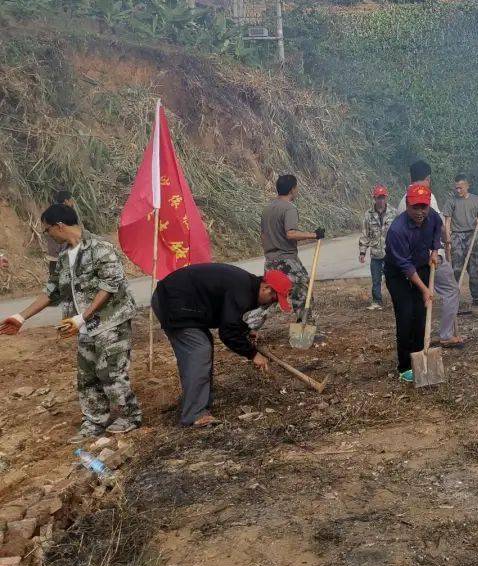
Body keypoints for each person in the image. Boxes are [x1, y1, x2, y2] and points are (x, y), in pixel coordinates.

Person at [2, 204, 142, 443]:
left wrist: (83, 316)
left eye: (47, 230)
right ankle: (95, 420)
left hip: (110, 322)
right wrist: (21, 316)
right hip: (83, 326)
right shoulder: (64, 256)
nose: (48, 235)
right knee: (87, 375)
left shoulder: (101, 248)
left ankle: (129, 416)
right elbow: (53, 290)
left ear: (59, 225)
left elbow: (109, 286)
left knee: (110, 371)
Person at [152, 264, 292, 427]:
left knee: (202, 346)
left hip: (185, 303)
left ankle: (198, 402)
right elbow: (227, 333)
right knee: (199, 350)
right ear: (267, 288)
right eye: (274, 299)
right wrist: (253, 354)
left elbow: (229, 318)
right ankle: (194, 414)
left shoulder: (246, 286)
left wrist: (245, 331)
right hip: (173, 301)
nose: (270, 304)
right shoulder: (243, 290)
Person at [397, 161, 463, 347]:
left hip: (409, 260)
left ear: (410, 177)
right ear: (428, 178)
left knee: (418, 298)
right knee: (451, 290)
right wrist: (446, 240)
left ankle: (415, 340)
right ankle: (446, 335)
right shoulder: (428, 197)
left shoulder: (403, 200)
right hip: (429, 256)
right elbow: (438, 227)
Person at [385, 183, 443, 382]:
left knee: (420, 314)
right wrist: (425, 289)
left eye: (423, 207)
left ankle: (420, 357)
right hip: (398, 273)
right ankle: (404, 366)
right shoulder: (397, 230)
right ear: (407, 205)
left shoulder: (432, 216)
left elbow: (438, 229)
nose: (420, 212)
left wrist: (435, 251)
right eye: (415, 207)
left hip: (421, 266)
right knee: (405, 315)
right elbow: (405, 266)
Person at [261, 174, 324, 315]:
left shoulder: (267, 209)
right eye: (296, 188)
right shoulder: (289, 208)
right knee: (303, 291)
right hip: (287, 260)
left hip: (270, 261)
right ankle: (305, 325)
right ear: (291, 189)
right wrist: (315, 235)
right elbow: (291, 234)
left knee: (269, 295)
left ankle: (249, 326)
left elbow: (263, 235)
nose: (297, 191)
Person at [447, 174, 478, 308]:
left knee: (475, 267)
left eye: (461, 188)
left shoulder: (477, 200)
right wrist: (447, 238)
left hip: (473, 234)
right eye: (456, 188)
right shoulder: (451, 201)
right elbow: (447, 220)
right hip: (457, 237)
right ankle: (454, 299)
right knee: (456, 269)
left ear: (467, 186)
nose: (458, 191)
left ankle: (477, 297)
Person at [358, 185, 397, 311]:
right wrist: (362, 252)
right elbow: (365, 234)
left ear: (386, 198)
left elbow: (399, 233)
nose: (380, 200)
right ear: (374, 198)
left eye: (382, 198)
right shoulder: (368, 215)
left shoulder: (393, 213)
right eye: (378, 198)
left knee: (392, 278)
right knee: (376, 280)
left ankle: (396, 300)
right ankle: (377, 301)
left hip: (390, 253)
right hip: (375, 253)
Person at [43, 189, 76, 273]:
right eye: (71, 200)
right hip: (62, 252)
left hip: (53, 253)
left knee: (53, 273)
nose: (72, 203)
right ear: (66, 201)